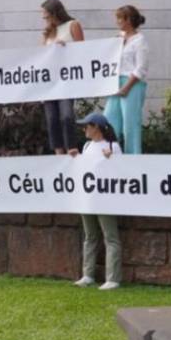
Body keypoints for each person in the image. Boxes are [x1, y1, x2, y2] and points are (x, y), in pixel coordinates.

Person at [70, 113, 122, 290]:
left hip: (105, 199)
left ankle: (113, 278)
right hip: (88, 198)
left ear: (97, 127)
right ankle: (88, 275)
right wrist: (76, 158)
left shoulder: (112, 146)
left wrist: (112, 159)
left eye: (87, 126)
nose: (84, 129)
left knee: (110, 237)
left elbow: (120, 172)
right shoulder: (86, 146)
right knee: (90, 236)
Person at [40, 0, 84, 154]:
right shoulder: (47, 33)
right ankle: (59, 152)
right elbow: (41, 56)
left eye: (46, 15)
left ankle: (71, 148)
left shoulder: (73, 25)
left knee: (66, 116)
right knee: (51, 119)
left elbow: (84, 51)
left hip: (67, 79)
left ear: (54, 12)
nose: (44, 19)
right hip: (50, 81)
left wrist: (67, 48)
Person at [104, 5, 149, 154]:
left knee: (130, 125)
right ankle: (109, 153)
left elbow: (141, 68)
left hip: (132, 84)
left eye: (119, 18)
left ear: (128, 20)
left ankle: (133, 158)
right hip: (116, 82)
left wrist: (127, 87)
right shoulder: (119, 38)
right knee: (109, 120)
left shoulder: (140, 41)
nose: (117, 21)